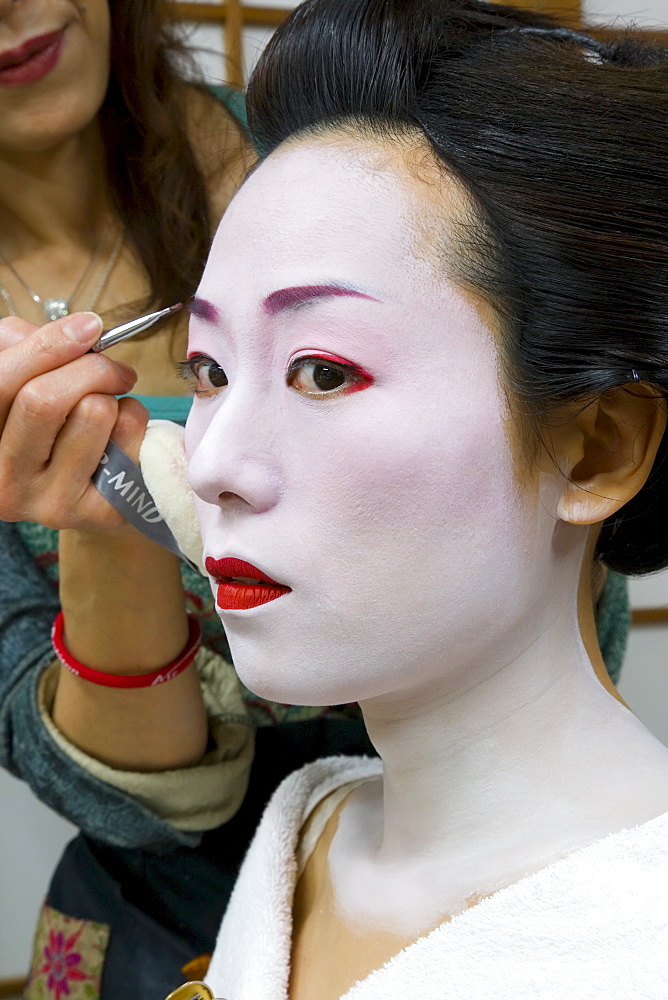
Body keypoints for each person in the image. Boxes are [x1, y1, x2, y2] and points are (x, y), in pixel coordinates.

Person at [175, 0, 668, 996]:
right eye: (209, 370)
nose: (211, 462)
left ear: (593, 450)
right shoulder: (308, 827)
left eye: (321, 372)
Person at [0, 1, 371, 996]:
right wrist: (108, 528)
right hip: (168, 929)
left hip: (465, 836)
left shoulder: (329, 142)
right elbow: (132, 802)